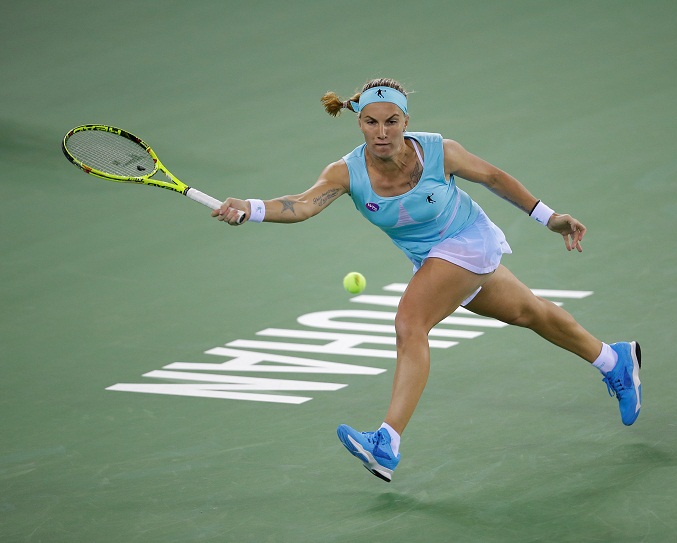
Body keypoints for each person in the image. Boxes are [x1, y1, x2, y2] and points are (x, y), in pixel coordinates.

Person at [213, 77, 642, 483]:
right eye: (371, 122)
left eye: (391, 121)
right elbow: (302, 205)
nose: (381, 132)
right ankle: (612, 359)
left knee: (410, 324)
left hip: (468, 239)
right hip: (432, 257)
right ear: (358, 121)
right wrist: (250, 207)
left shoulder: (440, 152)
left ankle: (387, 442)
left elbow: (493, 177)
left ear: (406, 121)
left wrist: (549, 218)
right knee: (528, 312)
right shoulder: (345, 173)